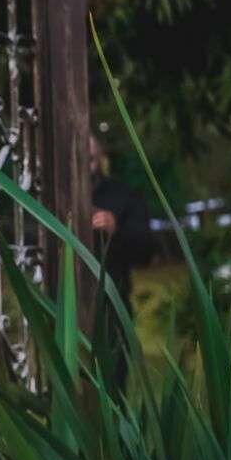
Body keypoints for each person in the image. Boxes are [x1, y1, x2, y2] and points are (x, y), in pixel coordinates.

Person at [89, 131, 155, 375]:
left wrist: (115, 231)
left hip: (112, 309)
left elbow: (146, 251)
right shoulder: (54, 196)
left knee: (112, 386)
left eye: (91, 157)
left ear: (101, 158)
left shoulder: (125, 196)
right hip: (62, 304)